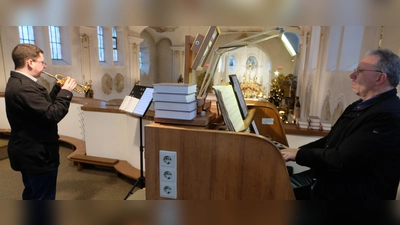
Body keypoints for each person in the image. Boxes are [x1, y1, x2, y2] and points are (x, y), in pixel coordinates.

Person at [281, 49, 400, 200]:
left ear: (380, 78)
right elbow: (328, 142)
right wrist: (292, 151)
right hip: (329, 180)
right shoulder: (359, 106)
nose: (352, 75)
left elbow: (341, 159)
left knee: (270, 194)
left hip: (353, 197)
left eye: (360, 71)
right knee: (271, 187)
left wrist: (298, 154)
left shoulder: (389, 115)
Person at [5, 44, 77, 200]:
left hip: (28, 150)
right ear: (30, 62)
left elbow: (41, 110)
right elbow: (52, 114)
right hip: (37, 154)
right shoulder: (25, 87)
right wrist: (66, 92)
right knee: (43, 198)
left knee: (32, 194)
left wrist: (57, 90)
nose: (44, 66)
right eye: (42, 62)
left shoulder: (19, 81)